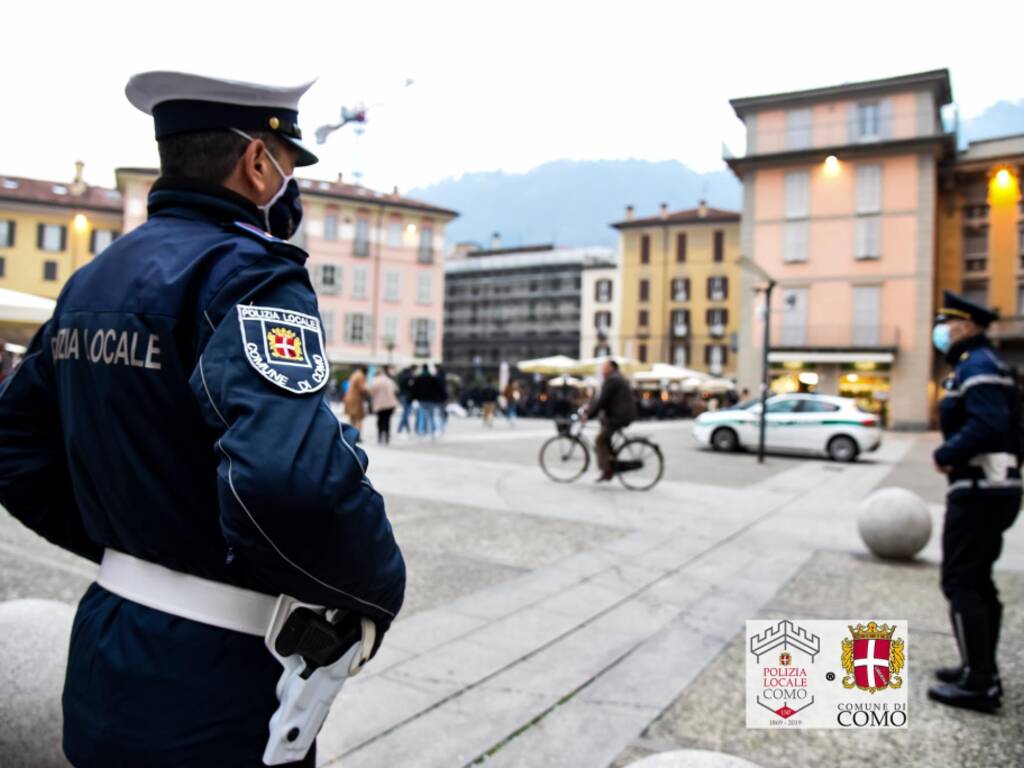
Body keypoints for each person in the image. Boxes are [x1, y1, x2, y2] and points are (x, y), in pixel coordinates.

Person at [0, 72, 405, 766]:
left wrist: (128, 545)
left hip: (106, 645)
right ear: (257, 162)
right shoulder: (249, 273)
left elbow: (13, 446)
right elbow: (290, 480)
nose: (290, 184)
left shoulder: (92, 280)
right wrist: (375, 587)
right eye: (288, 165)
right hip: (213, 680)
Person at [927, 290, 1021, 714]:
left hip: (980, 490)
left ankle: (980, 683)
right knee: (978, 580)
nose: (941, 332)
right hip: (992, 487)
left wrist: (947, 454)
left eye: (946, 324)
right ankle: (976, 667)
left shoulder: (979, 366)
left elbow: (988, 424)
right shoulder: (984, 364)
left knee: (961, 580)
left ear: (965, 326)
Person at [582, 359, 637, 482]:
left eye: (604, 367)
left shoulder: (612, 379)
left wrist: (588, 415)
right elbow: (602, 400)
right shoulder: (616, 377)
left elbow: (602, 400)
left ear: (611, 368)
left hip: (619, 416)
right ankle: (610, 459)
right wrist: (591, 409)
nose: (602, 370)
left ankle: (607, 470)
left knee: (600, 440)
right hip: (619, 414)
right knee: (604, 431)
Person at [369, 366, 399, 444]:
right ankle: (387, 437)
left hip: (379, 405)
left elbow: (371, 393)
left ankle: (380, 436)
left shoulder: (374, 381)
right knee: (387, 420)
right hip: (390, 404)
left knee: (380, 420)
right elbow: (395, 390)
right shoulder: (389, 380)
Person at [344, 365, 368, 436]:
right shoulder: (361, 376)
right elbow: (362, 389)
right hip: (356, 400)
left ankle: (351, 434)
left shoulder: (354, 374)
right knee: (359, 418)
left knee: (352, 418)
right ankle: (357, 435)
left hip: (349, 398)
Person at [396, 365, 416, 437]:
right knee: (406, 413)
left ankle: (406, 428)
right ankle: (400, 428)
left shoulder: (401, 377)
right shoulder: (410, 377)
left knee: (406, 413)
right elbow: (412, 387)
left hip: (402, 396)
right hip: (408, 397)